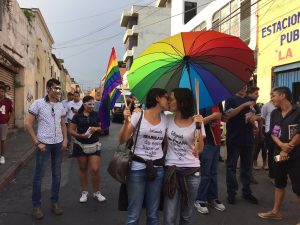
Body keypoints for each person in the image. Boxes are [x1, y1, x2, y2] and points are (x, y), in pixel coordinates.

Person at [119, 88, 169, 225]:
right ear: (158, 98)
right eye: (167, 97)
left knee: (153, 215)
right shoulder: (138, 116)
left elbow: (168, 144)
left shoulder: (166, 119)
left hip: (157, 169)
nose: (169, 100)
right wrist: (126, 121)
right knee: (134, 214)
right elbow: (122, 139)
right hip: (137, 168)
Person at [25, 78, 67, 220]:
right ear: (48, 89)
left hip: (58, 143)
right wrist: (37, 143)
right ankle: (36, 206)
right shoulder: (38, 104)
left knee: (57, 174)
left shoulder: (61, 105)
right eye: (55, 88)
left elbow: (63, 124)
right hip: (44, 144)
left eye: (59, 89)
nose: (58, 91)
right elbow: (28, 124)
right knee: (39, 176)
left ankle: (54, 203)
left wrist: (65, 139)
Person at [258, 87, 300, 224]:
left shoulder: (298, 112)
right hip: (278, 153)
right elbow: (274, 133)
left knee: (298, 186)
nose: (272, 98)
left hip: (295, 155)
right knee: (279, 182)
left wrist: (287, 149)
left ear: (283, 95)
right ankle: (276, 212)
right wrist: (281, 146)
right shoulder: (275, 113)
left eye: (274, 95)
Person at [163, 88, 204, 225]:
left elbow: (199, 149)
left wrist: (198, 126)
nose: (169, 101)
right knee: (169, 217)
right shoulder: (167, 119)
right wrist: (137, 112)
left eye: (172, 99)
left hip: (192, 173)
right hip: (172, 172)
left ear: (181, 102)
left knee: (186, 217)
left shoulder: (197, 121)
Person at [224, 85, 258, 205]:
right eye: (240, 84)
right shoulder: (230, 99)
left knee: (247, 167)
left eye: (245, 85)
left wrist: (253, 119)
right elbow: (228, 115)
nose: (243, 87)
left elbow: (255, 116)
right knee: (231, 167)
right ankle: (231, 193)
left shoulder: (250, 100)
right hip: (234, 139)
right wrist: (244, 106)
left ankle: (247, 192)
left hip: (248, 139)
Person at [68, 95, 105, 203]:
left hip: (94, 144)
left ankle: (97, 192)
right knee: (83, 169)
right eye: (89, 104)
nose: (92, 106)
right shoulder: (77, 116)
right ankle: (84, 192)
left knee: (95, 169)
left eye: (93, 104)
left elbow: (102, 127)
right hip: (80, 145)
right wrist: (80, 135)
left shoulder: (96, 115)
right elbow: (71, 130)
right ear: (84, 104)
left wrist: (96, 128)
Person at [194, 104, 226, 214]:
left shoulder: (217, 103)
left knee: (213, 173)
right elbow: (196, 122)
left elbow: (221, 118)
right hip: (207, 142)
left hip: (216, 142)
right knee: (205, 173)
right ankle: (200, 199)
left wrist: (221, 116)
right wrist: (213, 116)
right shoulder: (202, 103)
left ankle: (212, 197)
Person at [261, 94, 276, 183]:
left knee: (278, 155)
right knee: (272, 153)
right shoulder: (266, 106)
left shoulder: (280, 106)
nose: (274, 97)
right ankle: (272, 175)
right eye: (273, 95)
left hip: (279, 133)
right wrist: (261, 132)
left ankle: (278, 172)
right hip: (270, 132)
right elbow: (262, 118)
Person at [0, 85, 13, 164]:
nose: (0, 93)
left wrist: (9, 120)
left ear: (4, 92)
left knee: (2, 140)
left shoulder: (8, 101)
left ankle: (2, 156)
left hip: (3, 123)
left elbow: (12, 111)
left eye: (1, 91)